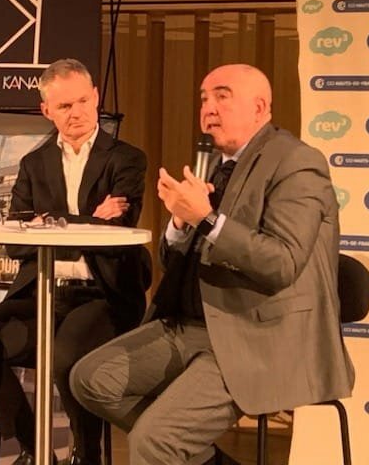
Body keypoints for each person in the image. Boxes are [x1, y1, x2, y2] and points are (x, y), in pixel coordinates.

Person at [70, 63, 354, 465]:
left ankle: (167, 445)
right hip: (192, 326)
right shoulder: (218, 167)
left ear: (260, 108)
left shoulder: (297, 163)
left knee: (154, 440)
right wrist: (179, 223)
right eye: (204, 98)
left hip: (256, 335)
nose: (209, 108)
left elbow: (282, 263)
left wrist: (206, 218)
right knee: (90, 379)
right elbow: (173, 263)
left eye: (223, 96)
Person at [0, 59, 150, 465]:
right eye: (64, 106)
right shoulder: (34, 164)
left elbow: (116, 233)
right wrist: (90, 220)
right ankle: (35, 448)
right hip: (42, 293)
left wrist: (48, 224)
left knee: (67, 357)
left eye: (82, 101)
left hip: (102, 295)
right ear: (46, 110)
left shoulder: (127, 158)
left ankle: (86, 455)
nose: (76, 112)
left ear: (96, 97)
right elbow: (17, 244)